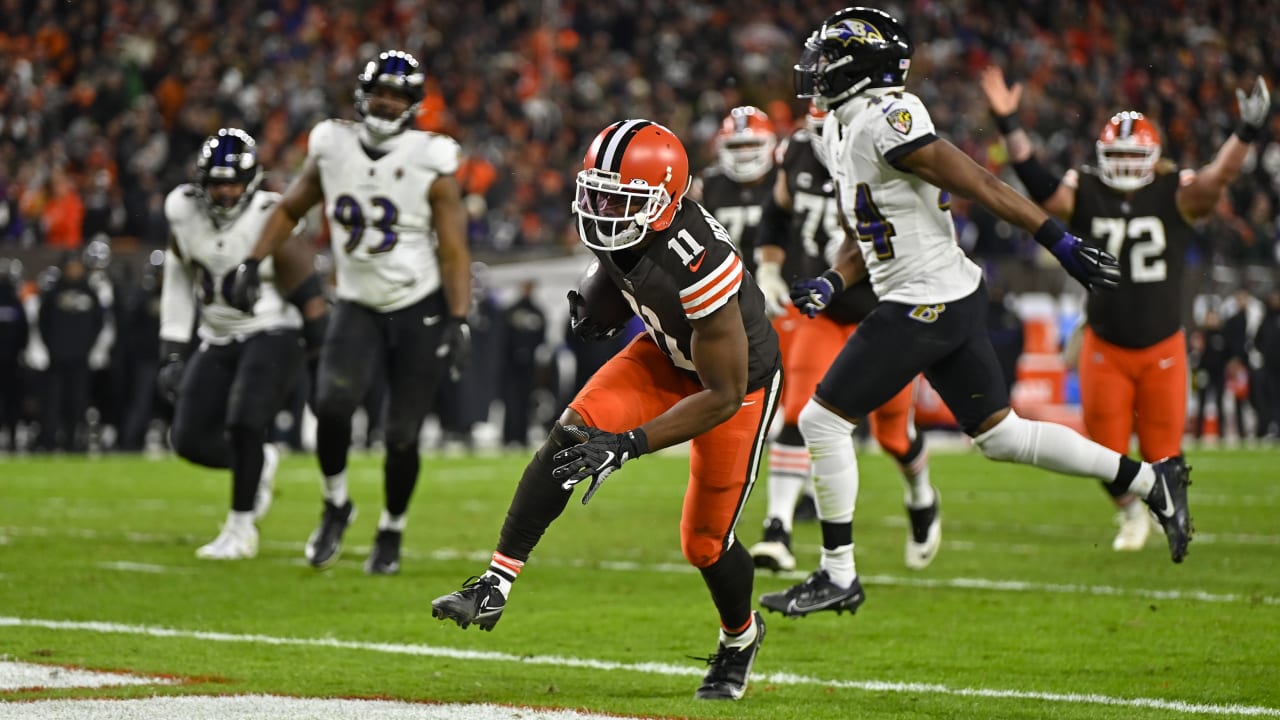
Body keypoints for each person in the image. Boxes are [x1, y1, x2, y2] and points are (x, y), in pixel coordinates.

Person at [763, 6, 1192, 620]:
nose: (817, 70)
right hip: (938, 295)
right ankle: (1153, 481)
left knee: (823, 421)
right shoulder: (840, 127)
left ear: (863, 67)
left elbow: (982, 185)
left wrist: (1058, 240)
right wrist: (835, 280)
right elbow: (870, 228)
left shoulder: (890, 117)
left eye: (830, 58)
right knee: (1003, 436)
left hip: (926, 299)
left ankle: (838, 573)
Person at [431, 119, 781, 701]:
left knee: (704, 543)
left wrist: (632, 442)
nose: (600, 210)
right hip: (666, 351)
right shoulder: (623, 227)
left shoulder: (700, 261)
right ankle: (495, 581)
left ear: (662, 203)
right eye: (597, 193)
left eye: (619, 200)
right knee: (572, 433)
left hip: (734, 384)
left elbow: (721, 393)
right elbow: (620, 269)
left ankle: (739, 638)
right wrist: (600, 298)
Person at [980, 66, 1270, 549]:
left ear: (1155, 158)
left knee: (1164, 453)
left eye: (1134, 156)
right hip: (1105, 343)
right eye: (1116, 155)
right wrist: (1009, 123)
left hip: (1162, 343)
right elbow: (1038, 181)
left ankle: (1159, 511)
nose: (1126, 166)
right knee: (1104, 453)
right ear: (1101, 157)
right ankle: (1130, 513)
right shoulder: (1088, 191)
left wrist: (1245, 132)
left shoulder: (1175, 191)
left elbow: (1221, 176)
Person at [226, 49, 473, 575]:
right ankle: (336, 502)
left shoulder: (432, 158)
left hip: (417, 305)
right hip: (357, 302)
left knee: (402, 433)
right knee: (331, 405)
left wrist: (458, 317)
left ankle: (391, 529)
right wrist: (252, 261)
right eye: (380, 91)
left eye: (398, 95)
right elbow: (291, 207)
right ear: (363, 94)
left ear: (413, 105)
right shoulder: (332, 145)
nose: (386, 102)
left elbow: (453, 247)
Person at [749, 101, 937, 573]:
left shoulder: (890, 150)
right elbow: (776, 210)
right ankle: (778, 528)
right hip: (825, 310)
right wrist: (769, 266)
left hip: (886, 308)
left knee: (893, 434)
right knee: (797, 412)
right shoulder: (797, 151)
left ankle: (921, 496)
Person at [159, 128, 328, 560]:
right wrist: (173, 349)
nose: (226, 191)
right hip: (216, 334)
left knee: (245, 422)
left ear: (252, 180)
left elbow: (309, 292)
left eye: (233, 181)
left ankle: (240, 529)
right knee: (189, 439)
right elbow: (178, 278)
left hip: (272, 328)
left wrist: (316, 357)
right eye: (217, 182)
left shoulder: (272, 214)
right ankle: (260, 463)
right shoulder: (182, 210)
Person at [691, 105, 778, 277]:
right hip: (728, 283)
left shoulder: (783, 180)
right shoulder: (707, 184)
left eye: (752, 143)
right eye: (735, 146)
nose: (744, 152)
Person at [38, 253, 103, 452]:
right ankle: (49, 440)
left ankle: (73, 440)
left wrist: (87, 347)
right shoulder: (53, 292)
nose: (74, 270)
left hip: (80, 358)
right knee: (53, 401)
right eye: (71, 266)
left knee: (77, 401)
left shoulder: (90, 293)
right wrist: (52, 348)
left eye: (77, 266)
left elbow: (98, 323)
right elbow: (43, 323)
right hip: (57, 358)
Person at [500, 279, 547, 448]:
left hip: (529, 365)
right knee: (511, 401)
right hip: (511, 365)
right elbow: (503, 339)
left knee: (527, 401)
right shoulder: (510, 311)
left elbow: (542, 338)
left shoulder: (538, 312)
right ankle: (509, 436)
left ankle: (522, 436)